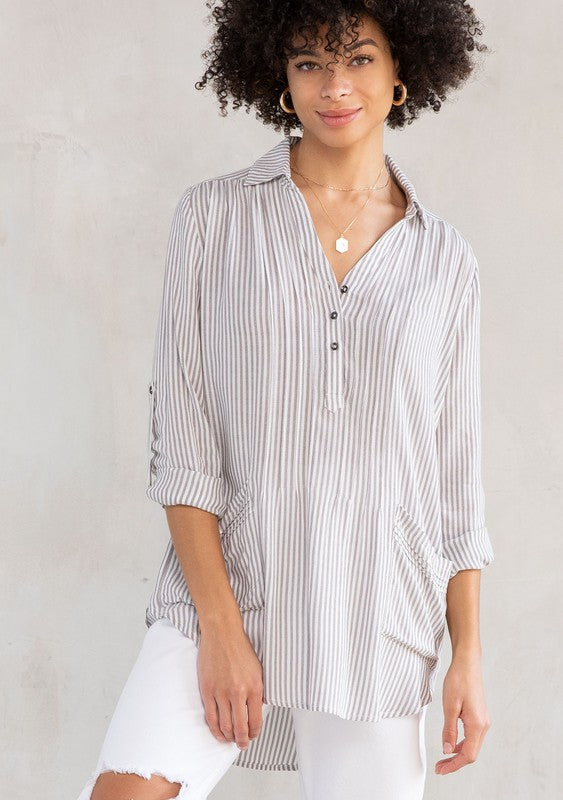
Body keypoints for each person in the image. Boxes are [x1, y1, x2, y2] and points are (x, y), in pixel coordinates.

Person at [77, 2, 495, 799]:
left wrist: (466, 658)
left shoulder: (445, 261)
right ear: (279, 76)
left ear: (401, 73)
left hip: (377, 614)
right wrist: (220, 629)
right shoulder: (213, 217)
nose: (334, 86)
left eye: (359, 59)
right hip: (231, 586)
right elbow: (183, 446)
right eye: (309, 63)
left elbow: (453, 483)